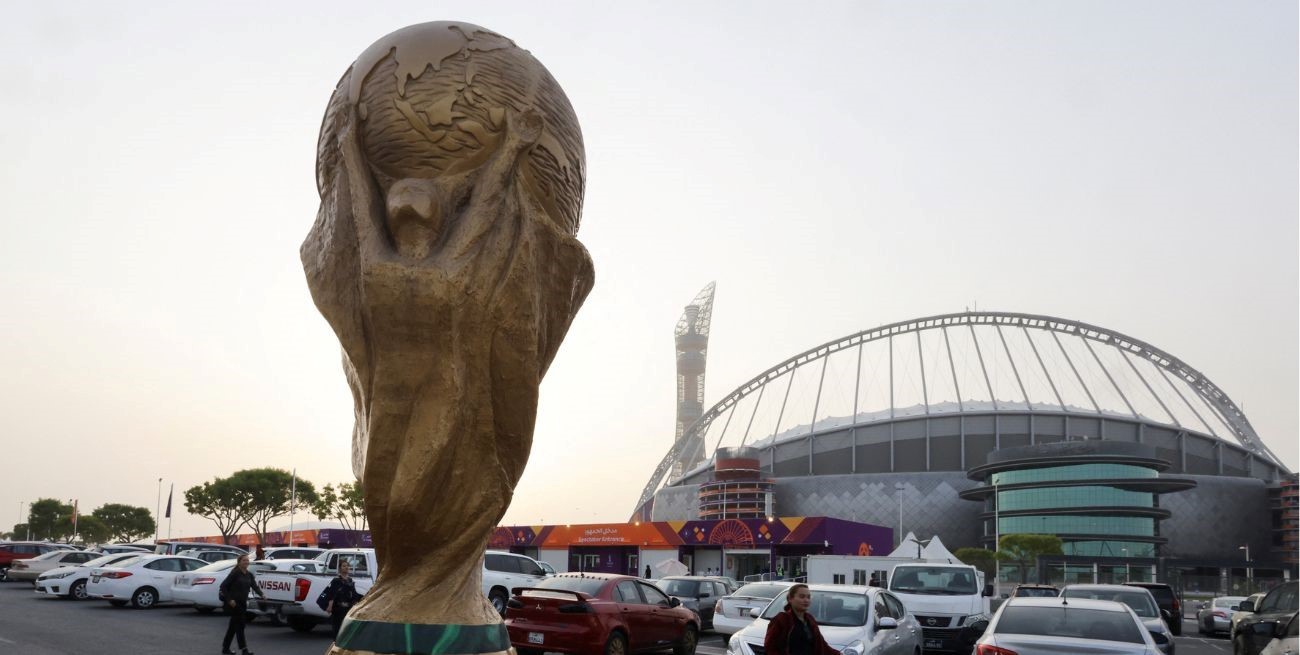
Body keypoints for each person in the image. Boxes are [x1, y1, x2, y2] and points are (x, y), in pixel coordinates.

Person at [763, 584, 841, 655]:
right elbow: (770, 647)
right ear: (790, 599)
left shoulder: (810, 619)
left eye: (808, 597)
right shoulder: (781, 619)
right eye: (802, 597)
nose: (806, 600)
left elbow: (822, 645)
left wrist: (838, 654)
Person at [219, 554, 266, 655]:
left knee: (233, 627)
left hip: (242, 603)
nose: (246, 562)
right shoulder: (235, 573)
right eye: (244, 560)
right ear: (239, 562)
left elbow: (254, 586)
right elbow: (223, 586)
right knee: (240, 626)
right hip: (234, 604)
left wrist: (262, 594)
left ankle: (225, 648)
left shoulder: (249, 574)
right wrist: (230, 599)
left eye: (247, 560)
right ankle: (244, 650)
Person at [321, 559, 363, 638]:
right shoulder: (336, 580)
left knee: (346, 629)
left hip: (348, 609)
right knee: (337, 629)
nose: (346, 567)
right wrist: (329, 606)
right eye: (344, 566)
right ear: (340, 568)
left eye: (347, 566)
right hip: (338, 609)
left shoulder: (350, 580)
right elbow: (331, 594)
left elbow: (354, 594)